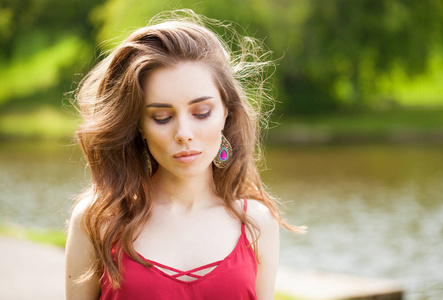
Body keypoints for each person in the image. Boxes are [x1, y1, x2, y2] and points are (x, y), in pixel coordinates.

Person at [65, 9, 304, 300]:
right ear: (139, 125)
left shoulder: (256, 223)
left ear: (225, 113)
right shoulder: (97, 221)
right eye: (162, 117)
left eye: (201, 112)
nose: (184, 133)